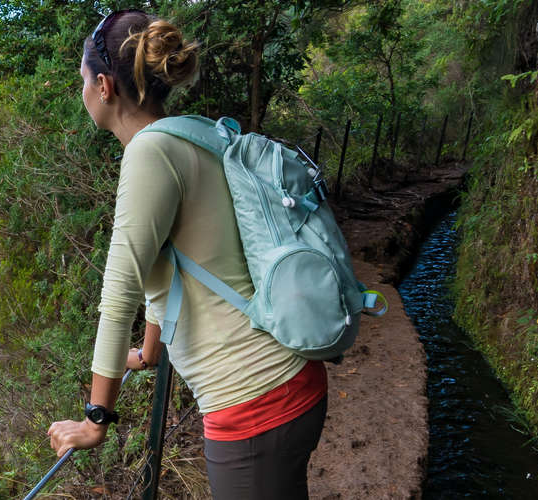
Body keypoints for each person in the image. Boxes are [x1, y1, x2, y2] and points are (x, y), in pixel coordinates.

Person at [42, 10, 329, 499]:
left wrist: (95, 419)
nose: (83, 91)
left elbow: (119, 296)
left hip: (253, 402)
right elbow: (176, 263)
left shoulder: (149, 154)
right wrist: (149, 352)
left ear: (104, 87)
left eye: (84, 81)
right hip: (289, 377)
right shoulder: (195, 134)